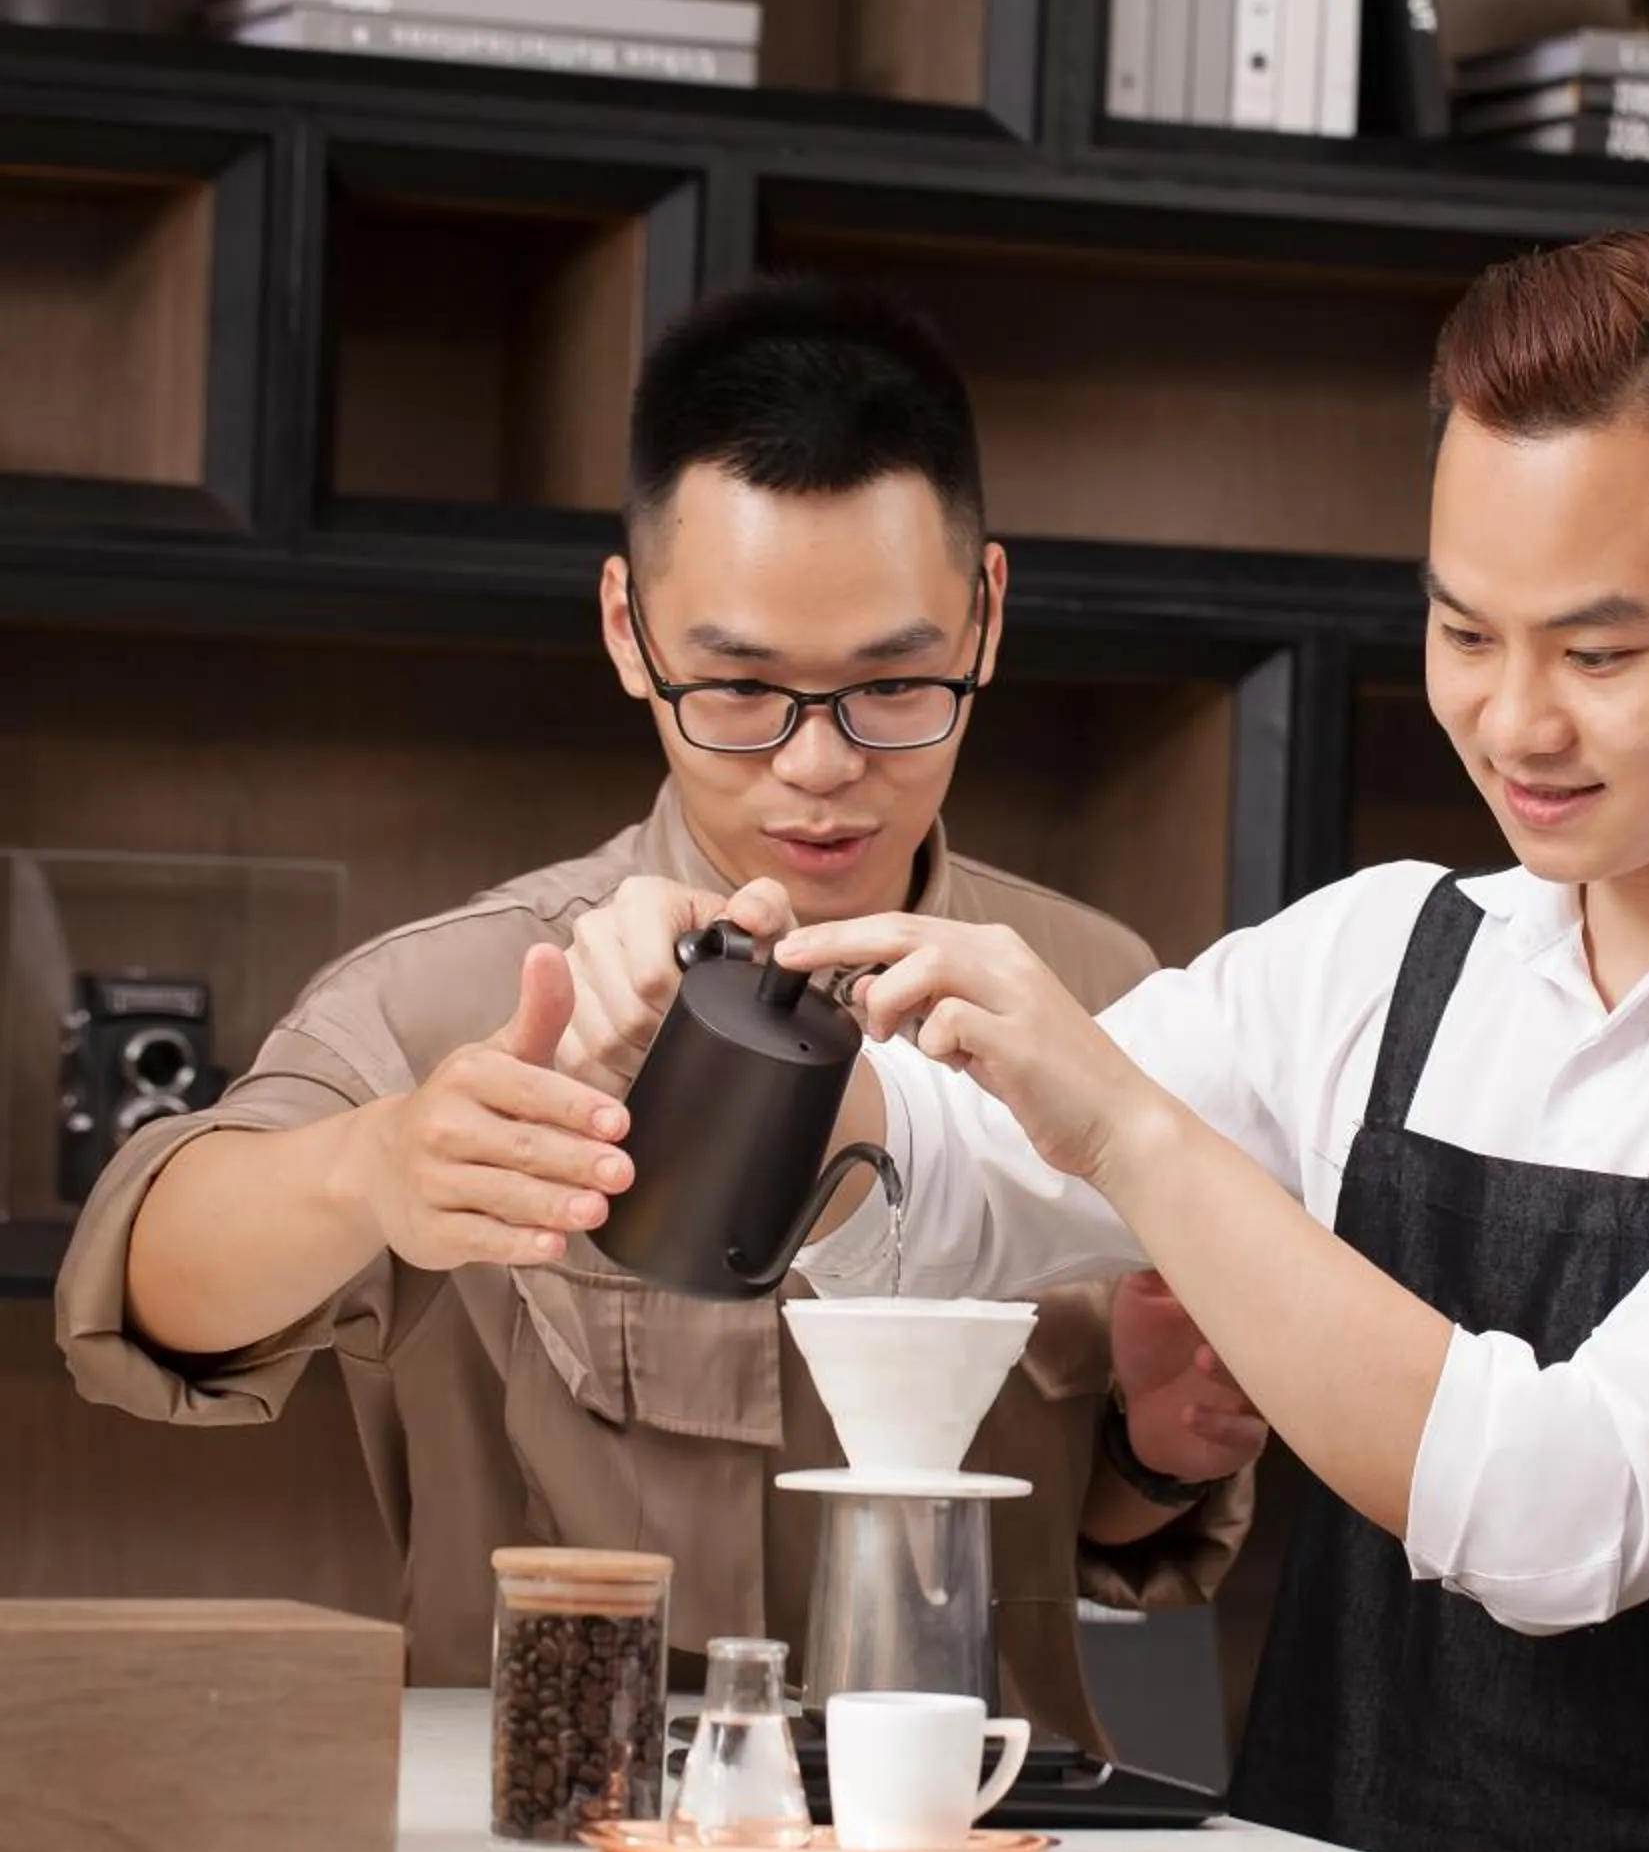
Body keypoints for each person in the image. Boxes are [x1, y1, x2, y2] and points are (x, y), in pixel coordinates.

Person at [766, 230, 1649, 1852]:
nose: (1513, 721)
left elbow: (1564, 1510)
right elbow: (943, 1199)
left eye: (1597, 655)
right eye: (1459, 630)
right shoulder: (1380, 961)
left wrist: (1133, 1127)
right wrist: (712, 1043)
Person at [54, 280, 1263, 1754]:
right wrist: (375, 1164)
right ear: (630, 629)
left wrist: (1154, 1444)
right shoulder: (465, 995)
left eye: (893, 685)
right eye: (741, 688)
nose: (818, 768)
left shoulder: (1108, 997)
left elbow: (1091, 1539)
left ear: (989, 616)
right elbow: (146, 1298)